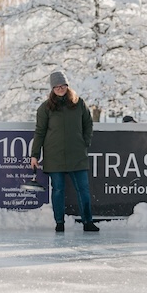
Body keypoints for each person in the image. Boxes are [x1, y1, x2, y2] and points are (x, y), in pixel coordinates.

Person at [30, 70, 99, 233]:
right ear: (52, 89)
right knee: (58, 190)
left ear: (67, 86)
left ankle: (87, 221)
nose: (60, 89)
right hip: (55, 156)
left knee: (83, 189)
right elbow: (39, 131)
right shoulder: (45, 108)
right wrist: (35, 155)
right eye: (56, 86)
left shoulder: (78, 103)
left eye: (63, 85)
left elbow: (88, 123)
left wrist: (85, 141)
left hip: (77, 154)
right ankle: (59, 222)